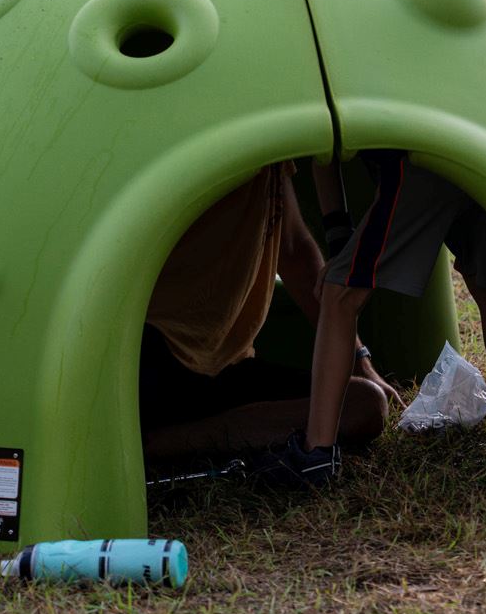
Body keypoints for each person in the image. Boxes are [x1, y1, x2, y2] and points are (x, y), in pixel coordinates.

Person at [263, 151, 486, 487]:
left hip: (416, 158)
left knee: (339, 294)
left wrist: (342, 251)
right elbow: (325, 154)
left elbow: (324, 151)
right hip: (477, 148)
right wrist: (341, 242)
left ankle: (316, 454)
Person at [139, 163, 394, 468]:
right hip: (155, 350)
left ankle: (168, 441)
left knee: (365, 403)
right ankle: (148, 442)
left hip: (228, 366)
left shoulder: (271, 161)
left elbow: (293, 247)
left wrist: (358, 359)